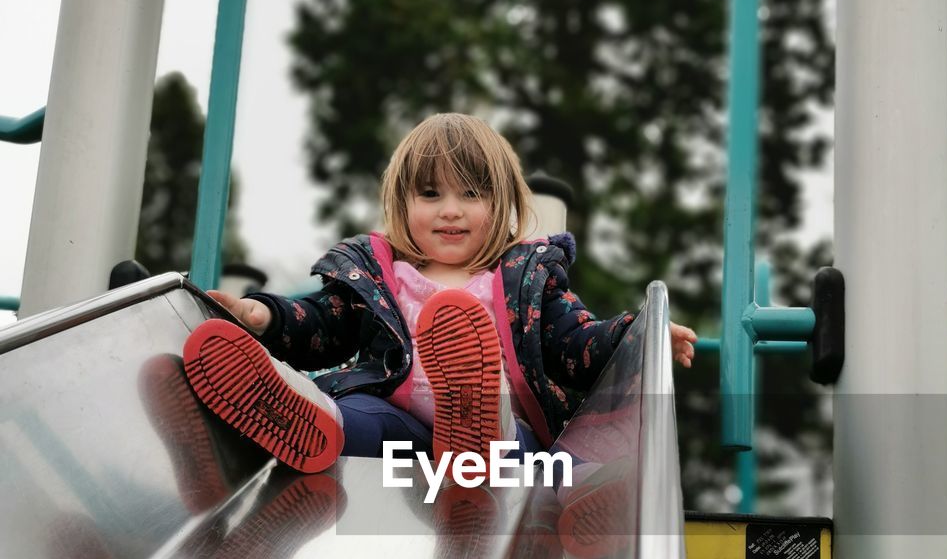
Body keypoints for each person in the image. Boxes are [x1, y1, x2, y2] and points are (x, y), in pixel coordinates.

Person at [181, 112, 696, 474]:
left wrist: (639, 336)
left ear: (503, 204)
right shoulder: (379, 274)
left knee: (538, 463)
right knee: (356, 418)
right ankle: (295, 415)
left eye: (470, 194)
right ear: (401, 202)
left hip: (502, 440)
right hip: (405, 432)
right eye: (430, 194)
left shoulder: (525, 279)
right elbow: (321, 325)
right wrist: (264, 317)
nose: (450, 210)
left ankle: (490, 428)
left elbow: (578, 342)